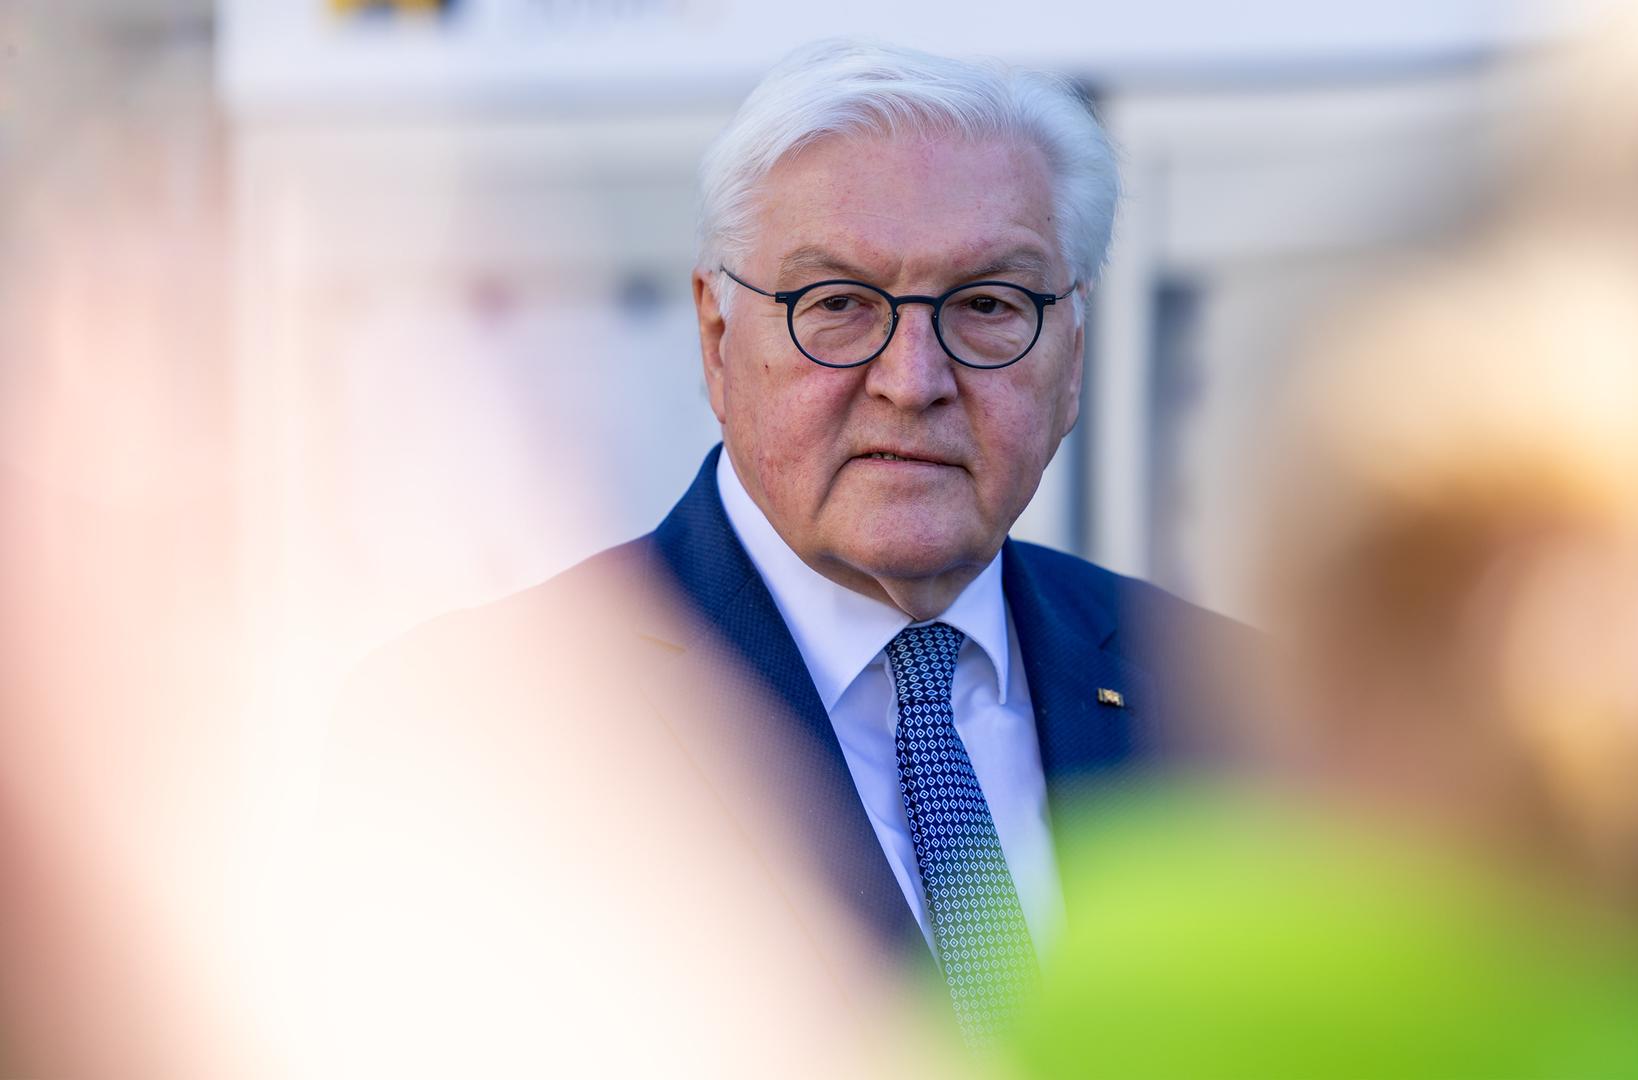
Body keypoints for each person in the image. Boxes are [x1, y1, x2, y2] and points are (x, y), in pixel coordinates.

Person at [323, 37, 1248, 1052]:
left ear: (1071, 358)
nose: (913, 378)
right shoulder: (492, 721)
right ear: (719, 340)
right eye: (838, 305)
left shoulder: (1231, 697)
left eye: (986, 305)